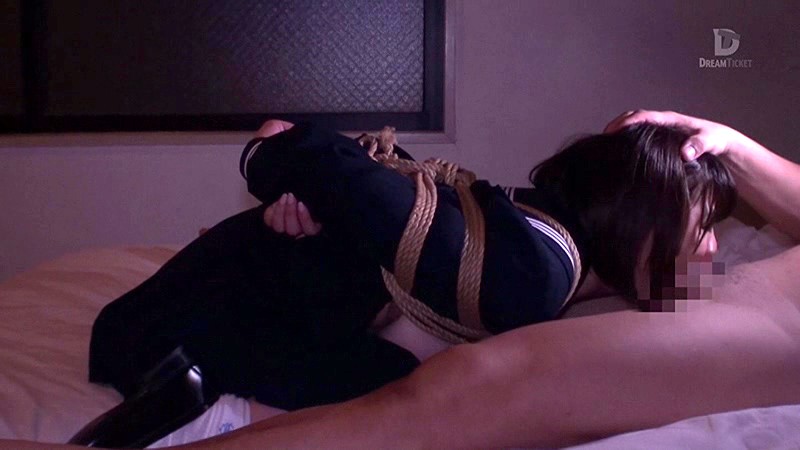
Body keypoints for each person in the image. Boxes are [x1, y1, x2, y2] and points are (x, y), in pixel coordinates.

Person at [78, 113, 736, 446]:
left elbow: (403, 209)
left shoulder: (549, 256)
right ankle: (205, 423)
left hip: (219, 323)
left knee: (418, 393)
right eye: (705, 224)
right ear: (645, 215)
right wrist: (278, 160)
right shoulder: (537, 270)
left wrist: (328, 211)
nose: (712, 248)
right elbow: (318, 158)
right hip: (169, 340)